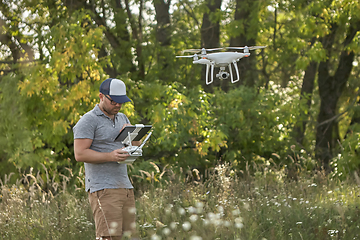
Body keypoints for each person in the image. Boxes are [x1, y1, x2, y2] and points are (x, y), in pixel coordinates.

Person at [73, 78, 140, 240]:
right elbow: (80, 154)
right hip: (103, 188)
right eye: (113, 101)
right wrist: (110, 156)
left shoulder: (122, 118)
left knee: (130, 237)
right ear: (101, 96)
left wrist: (133, 136)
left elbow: (134, 145)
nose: (117, 105)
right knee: (109, 237)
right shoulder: (88, 120)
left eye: (121, 102)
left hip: (125, 186)